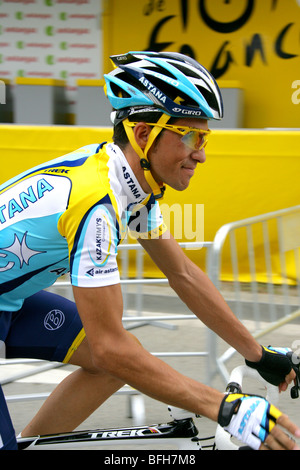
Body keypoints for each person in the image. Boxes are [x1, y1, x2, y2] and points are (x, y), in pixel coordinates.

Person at [0, 51, 299, 451]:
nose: (201, 154)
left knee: (117, 365)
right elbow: (110, 347)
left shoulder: (130, 186)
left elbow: (183, 275)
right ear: (143, 135)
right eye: (191, 136)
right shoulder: (97, 203)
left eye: (204, 138)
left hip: (9, 301)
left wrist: (257, 354)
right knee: (116, 356)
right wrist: (224, 408)